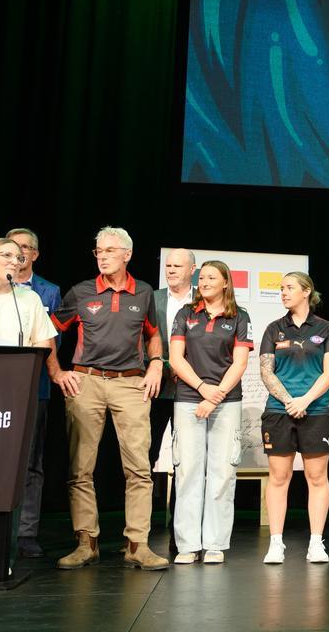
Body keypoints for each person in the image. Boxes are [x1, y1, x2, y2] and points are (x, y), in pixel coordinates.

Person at [50, 226, 169, 571]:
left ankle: (138, 545)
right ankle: (86, 543)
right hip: (85, 382)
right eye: (98, 251)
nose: (102, 256)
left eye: (109, 251)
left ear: (127, 255)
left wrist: (157, 366)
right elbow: (48, 332)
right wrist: (58, 373)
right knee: (81, 468)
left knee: (139, 469)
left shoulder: (144, 292)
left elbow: (154, 334)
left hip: (131, 385)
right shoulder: (82, 292)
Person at [167, 260, 252, 564]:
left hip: (226, 401)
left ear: (226, 282)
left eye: (211, 277)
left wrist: (214, 397)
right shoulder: (186, 314)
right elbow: (176, 359)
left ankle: (215, 543)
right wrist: (203, 389)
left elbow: (239, 364)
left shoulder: (239, 317)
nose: (203, 281)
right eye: (201, 277)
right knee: (188, 470)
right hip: (190, 398)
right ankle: (188, 544)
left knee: (223, 472)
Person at [258, 272, 329, 564]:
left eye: (289, 288)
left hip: (316, 411)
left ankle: (316, 542)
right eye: (281, 289)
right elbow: (266, 371)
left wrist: (305, 400)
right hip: (280, 412)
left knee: (317, 478)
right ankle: (276, 543)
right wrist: (290, 401)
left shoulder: (326, 329)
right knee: (279, 478)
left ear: (307, 292)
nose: (283, 293)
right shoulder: (273, 329)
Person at [5, 227, 63, 559]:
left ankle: (26, 532)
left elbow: (56, 342)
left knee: (31, 461)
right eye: (14, 248)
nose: (20, 253)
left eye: (26, 248)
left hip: (35, 386)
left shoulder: (49, 293)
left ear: (35, 254)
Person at [155, 249, 197, 512]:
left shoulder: (203, 301)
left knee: (187, 457)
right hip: (156, 387)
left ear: (192, 270)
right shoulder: (153, 298)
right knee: (145, 453)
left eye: (177, 266)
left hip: (191, 388)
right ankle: (140, 529)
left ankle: (182, 524)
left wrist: (184, 368)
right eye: (168, 265)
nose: (170, 270)